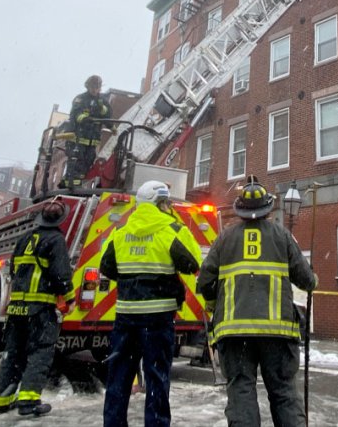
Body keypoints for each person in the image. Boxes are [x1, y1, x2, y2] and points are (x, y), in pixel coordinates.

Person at [198, 179, 317, 427]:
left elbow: (205, 281)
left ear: (240, 210)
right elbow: (306, 280)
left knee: (241, 391)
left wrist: (212, 303)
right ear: (268, 209)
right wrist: (313, 279)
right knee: (283, 393)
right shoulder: (282, 236)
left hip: (234, 333)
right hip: (278, 332)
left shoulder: (225, 238)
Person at [100, 180, 201, 427]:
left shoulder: (120, 232)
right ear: (161, 203)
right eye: (166, 202)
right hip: (158, 318)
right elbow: (192, 263)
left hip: (125, 316)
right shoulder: (172, 230)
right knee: (156, 377)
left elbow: (107, 267)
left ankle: (113, 423)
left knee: (119, 376)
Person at [0, 201, 74, 417]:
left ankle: (1, 399)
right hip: (40, 309)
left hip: (17, 308)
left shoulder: (25, 238)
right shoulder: (55, 240)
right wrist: (69, 298)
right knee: (40, 352)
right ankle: (28, 402)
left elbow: (13, 268)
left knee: (13, 353)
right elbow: (61, 273)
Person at [64, 74, 112, 188]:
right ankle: (70, 187)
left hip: (92, 141)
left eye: (97, 87)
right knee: (76, 165)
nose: (95, 90)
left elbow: (108, 116)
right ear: (88, 86)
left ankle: (80, 186)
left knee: (88, 164)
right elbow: (75, 115)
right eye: (93, 87)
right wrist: (83, 118)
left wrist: (111, 125)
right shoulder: (80, 99)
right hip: (78, 140)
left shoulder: (102, 101)